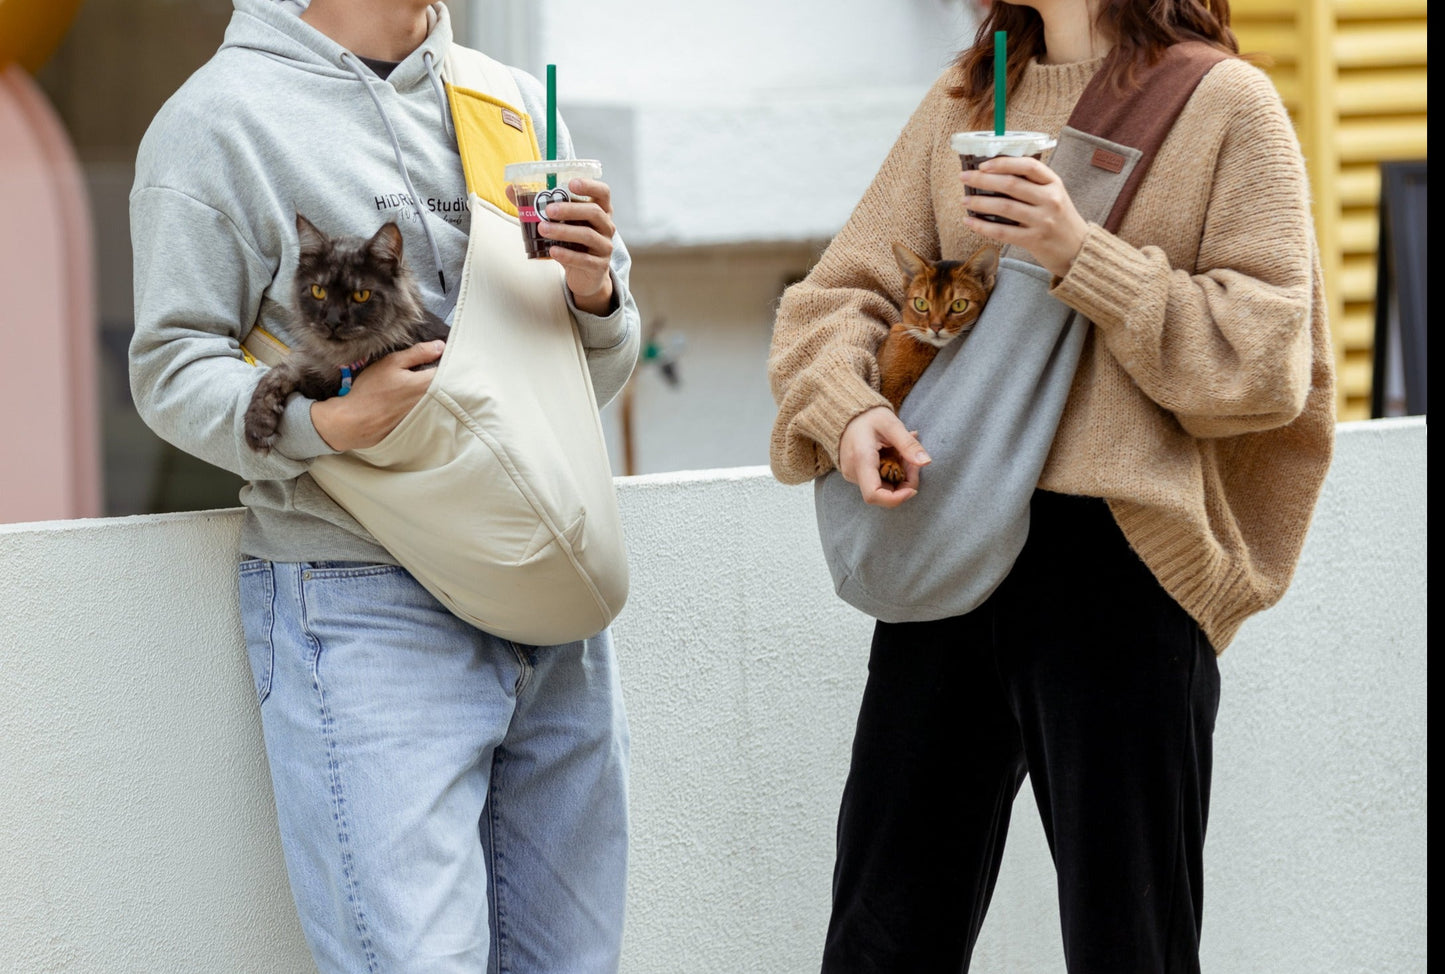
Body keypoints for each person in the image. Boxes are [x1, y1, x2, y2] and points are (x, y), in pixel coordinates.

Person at [767, 0, 1335, 970]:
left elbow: (1265, 362)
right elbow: (833, 296)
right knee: (878, 933)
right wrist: (851, 410)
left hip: (1119, 559)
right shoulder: (970, 96)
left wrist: (1078, 255)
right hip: (947, 530)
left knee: (1129, 940)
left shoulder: (1221, 105)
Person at [128, 1, 640, 971]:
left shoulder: (516, 106)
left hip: (550, 604)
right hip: (363, 598)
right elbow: (167, 366)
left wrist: (596, 297)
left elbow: (592, 376)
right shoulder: (220, 120)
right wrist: (324, 423)